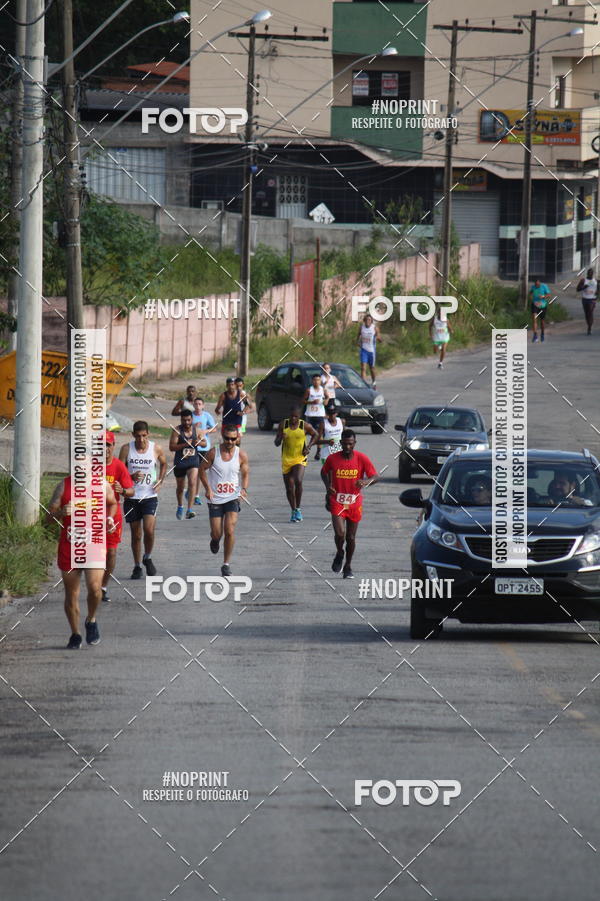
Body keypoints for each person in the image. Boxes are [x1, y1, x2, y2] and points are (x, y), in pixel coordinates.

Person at [46, 475, 118, 649]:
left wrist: (109, 518)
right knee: (72, 594)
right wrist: (61, 512)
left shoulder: (101, 484)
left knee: (95, 589)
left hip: (94, 544)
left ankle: (91, 620)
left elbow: (113, 503)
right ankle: (75, 633)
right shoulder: (64, 485)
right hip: (70, 547)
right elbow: (47, 519)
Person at [321, 429, 379, 579]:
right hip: (337, 501)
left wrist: (366, 481)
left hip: (354, 502)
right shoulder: (332, 458)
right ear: (340, 443)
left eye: (351, 444)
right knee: (340, 534)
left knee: (351, 537)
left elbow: (375, 476)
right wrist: (328, 487)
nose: (347, 447)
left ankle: (348, 566)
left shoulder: (361, 458)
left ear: (355, 444)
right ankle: (340, 552)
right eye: (345, 444)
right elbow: (324, 472)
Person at [199, 425, 249, 576]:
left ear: (237, 438)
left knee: (230, 530)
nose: (230, 441)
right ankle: (214, 540)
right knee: (217, 533)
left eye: (233, 439)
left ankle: (226, 564)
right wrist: (207, 488)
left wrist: (244, 489)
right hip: (215, 499)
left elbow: (245, 473)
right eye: (227, 438)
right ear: (222, 436)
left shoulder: (241, 455)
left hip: (232, 497)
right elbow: (201, 470)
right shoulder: (213, 453)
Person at [119, 421, 167, 579]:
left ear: (148, 434)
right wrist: (130, 476)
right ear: (133, 435)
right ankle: (137, 566)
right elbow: (120, 470)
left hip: (149, 496)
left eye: (144, 436)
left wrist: (160, 480)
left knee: (148, 529)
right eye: (138, 436)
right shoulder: (126, 449)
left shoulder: (156, 448)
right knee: (136, 534)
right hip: (132, 496)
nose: (141, 439)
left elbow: (164, 463)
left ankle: (148, 556)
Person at [103, 430, 135, 603]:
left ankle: (103, 587)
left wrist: (122, 491)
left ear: (113, 446)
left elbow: (131, 490)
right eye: (101, 445)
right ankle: (93, 585)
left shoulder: (118, 466)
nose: (105, 449)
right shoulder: (89, 465)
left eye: (108, 445)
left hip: (112, 517)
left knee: (111, 553)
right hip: (91, 516)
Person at [274, 407, 317, 522]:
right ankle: (294, 511)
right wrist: (280, 438)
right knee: (289, 488)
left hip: (300, 458)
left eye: (296, 416)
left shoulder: (305, 426)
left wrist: (308, 447)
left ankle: (298, 508)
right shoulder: (283, 424)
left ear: (300, 417)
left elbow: (315, 434)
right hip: (286, 459)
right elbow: (276, 443)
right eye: (291, 416)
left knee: (298, 480)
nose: (293, 419)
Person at [169, 411, 207, 520]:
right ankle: (180, 506)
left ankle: (189, 510)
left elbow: (205, 443)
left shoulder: (197, 430)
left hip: (193, 461)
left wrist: (198, 443)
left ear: (192, 420)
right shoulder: (177, 430)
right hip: (180, 461)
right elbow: (171, 447)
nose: (186, 422)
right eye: (184, 420)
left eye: (189, 420)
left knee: (192, 482)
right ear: (181, 420)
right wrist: (186, 444)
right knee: (180, 488)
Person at [215, 377, 251, 444]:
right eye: (229, 385)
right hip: (227, 420)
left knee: (237, 439)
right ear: (226, 386)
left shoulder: (240, 394)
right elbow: (217, 408)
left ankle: (236, 452)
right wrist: (218, 411)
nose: (231, 387)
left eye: (232, 384)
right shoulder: (223, 395)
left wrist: (242, 412)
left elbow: (247, 405)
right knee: (226, 439)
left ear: (235, 385)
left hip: (237, 420)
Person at [303, 372, 328, 461]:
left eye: (318, 380)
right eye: (314, 380)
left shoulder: (323, 390)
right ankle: (304, 449)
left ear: (320, 381)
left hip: (320, 415)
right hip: (310, 415)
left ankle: (318, 451)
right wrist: (311, 402)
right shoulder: (309, 390)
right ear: (312, 381)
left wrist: (326, 401)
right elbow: (303, 401)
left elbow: (327, 397)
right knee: (305, 433)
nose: (316, 382)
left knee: (319, 434)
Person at [316, 400, 345, 476]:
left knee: (338, 475)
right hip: (326, 454)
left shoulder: (341, 421)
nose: (332, 416)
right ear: (327, 414)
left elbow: (345, 437)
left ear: (336, 413)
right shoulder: (323, 424)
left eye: (333, 414)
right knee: (329, 475)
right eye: (330, 414)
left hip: (339, 452)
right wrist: (327, 442)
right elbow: (317, 441)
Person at [357, 314, 381, 387]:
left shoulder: (374, 328)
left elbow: (379, 337)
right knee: (363, 368)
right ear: (364, 320)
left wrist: (378, 338)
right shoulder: (361, 327)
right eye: (366, 320)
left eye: (369, 320)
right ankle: (363, 384)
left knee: (372, 368)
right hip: (364, 350)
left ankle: (374, 382)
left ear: (371, 321)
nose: (368, 321)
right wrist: (358, 342)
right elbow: (358, 336)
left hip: (371, 351)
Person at [430, 302, 452, 369]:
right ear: (438, 313)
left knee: (444, 349)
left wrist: (451, 330)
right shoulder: (434, 319)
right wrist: (430, 334)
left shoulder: (446, 320)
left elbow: (449, 326)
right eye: (440, 313)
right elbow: (430, 326)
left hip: (445, 336)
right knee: (435, 350)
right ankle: (439, 346)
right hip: (437, 336)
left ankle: (440, 363)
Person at [529, 278, 551, 343]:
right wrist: (532, 299)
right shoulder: (533, 287)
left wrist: (543, 296)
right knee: (534, 318)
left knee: (542, 321)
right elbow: (530, 293)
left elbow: (549, 295)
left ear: (540, 283)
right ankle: (535, 335)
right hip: (535, 304)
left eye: (538, 284)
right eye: (536, 284)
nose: (537, 285)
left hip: (543, 305)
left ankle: (542, 334)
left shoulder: (544, 286)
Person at [577, 268, 598, 335]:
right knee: (587, 314)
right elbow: (577, 289)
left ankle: (590, 327)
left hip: (592, 299)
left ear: (593, 274)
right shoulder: (583, 280)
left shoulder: (595, 281)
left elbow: (598, 289)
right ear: (587, 274)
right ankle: (589, 325)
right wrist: (583, 287)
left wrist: (597, 295)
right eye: (589, 273)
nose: (590, 274)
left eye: (591, 273)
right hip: (585, 299)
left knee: (590, 312)